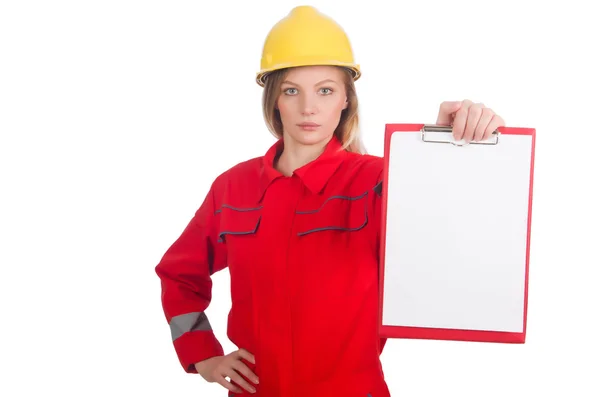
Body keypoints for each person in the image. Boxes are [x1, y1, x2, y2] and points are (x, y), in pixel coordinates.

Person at [154, 5, 505, 397]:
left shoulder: (379, 179)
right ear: (274, 100)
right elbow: (179, 275)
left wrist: (447, 147)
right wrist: (202, 354)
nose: (309, 107)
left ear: (345, 100)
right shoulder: (232, 189)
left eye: (325, 90)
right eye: (292, 90)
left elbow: (450, 226)